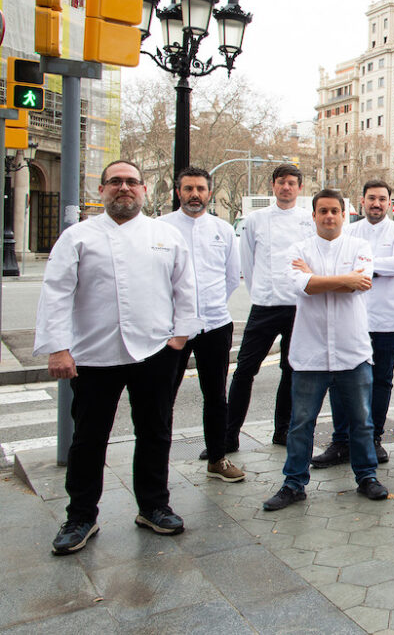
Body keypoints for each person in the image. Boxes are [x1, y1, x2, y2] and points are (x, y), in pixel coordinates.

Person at [36, 160, 199, 555]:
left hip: (155, 351)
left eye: (131, 182)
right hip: (94, 355)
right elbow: (56, 293)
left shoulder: (165, 235)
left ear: (144, 190)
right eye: (115, 182)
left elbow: (184, 286)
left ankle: (154, 506)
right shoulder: (78, 237)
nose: (123, 188)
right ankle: (81, 516)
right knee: (89, 438)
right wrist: (59, 347)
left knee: (156, 431)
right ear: (101, 189)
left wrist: (181, 335)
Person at [263, 190, 390, 511]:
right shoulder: (299, 249)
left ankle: (366, 476)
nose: (329, 216)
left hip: (353, 350)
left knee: (362, 421)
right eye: (323, 211)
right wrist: (339, 279)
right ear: (314, 215)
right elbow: (300, 285)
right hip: (310, 352)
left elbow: (359, 282)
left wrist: (317, 278)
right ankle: (293, 483)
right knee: (301, 422)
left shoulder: (360, 247)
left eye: (335, 211)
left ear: (344, 214)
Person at [313, 180, 394, 468]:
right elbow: (340, 268)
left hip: (387, 320)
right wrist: (371, 269)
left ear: (389, 203)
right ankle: (341, 441)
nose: (377, 204)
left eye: (382, 199)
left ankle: (373, 439)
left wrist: (363, 267)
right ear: (362, 200)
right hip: (349, 319)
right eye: (371, 198)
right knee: (341, 381)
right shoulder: (349, 231)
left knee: (380, 381)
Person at [160, 167, 245, 483]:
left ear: (209, 193)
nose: (194, 194)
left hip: (215, 324)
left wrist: (208, 305)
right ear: (178, 192)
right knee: (162, 396)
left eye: (200, 189)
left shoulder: (222, 230)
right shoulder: (161, 228)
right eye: (188, 188)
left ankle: (217, 458)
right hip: (171, 328)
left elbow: (231, 277)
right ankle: (158, 462)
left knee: (215, 394)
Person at [226, 165, 314, 448]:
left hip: (297, 304)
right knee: (244, 370)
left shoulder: (308, 220)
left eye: (291, 183)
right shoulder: (255, 219)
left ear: (299, 188)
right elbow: (248, 261)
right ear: (273, 186)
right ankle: (228, 436)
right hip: (264, 304)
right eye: (281, 182)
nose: (286, 187)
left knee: (290, 371)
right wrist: (258, 291)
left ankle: (282, 431)